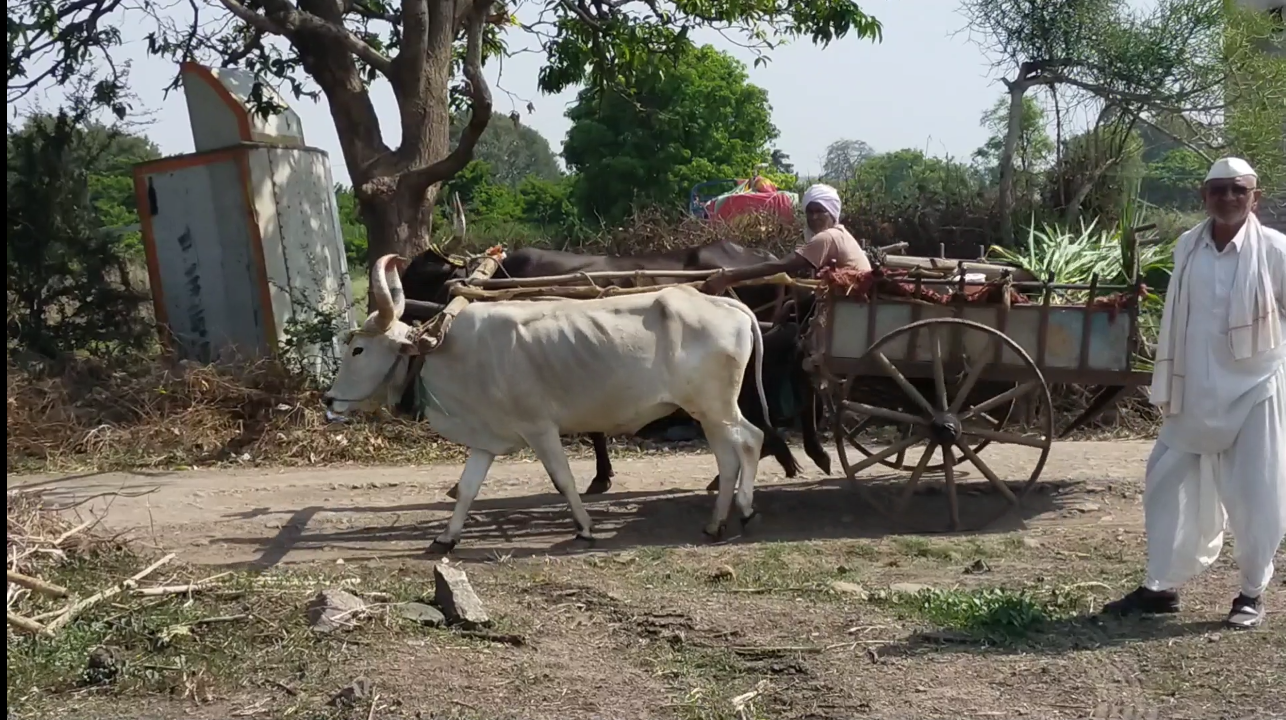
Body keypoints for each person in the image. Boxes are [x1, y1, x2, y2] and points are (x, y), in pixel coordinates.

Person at [1101, 157, 1286, 630]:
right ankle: (1161, 585)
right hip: (1193, 392)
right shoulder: (1188, 245)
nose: (1228, 198)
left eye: (1238, 190)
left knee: (1256, 494)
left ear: (1254, 197)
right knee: (1165, 485)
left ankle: (1250, 593)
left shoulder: (1275, 250)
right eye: (1218, 189)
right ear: (1203, 196)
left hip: (1254, 390)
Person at [699, 183, 871, 298]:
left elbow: (782, 265)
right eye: (810, 212)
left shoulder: (828, 238)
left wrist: (728, 276)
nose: (814, 217)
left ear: (832, 213)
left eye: (820, 211)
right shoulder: (840, 234)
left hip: (848, 305)